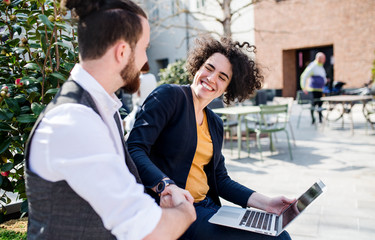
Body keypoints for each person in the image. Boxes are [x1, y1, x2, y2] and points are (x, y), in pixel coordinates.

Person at [24, 0, 195, 239]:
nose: (145, 62)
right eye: (144, 48)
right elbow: (149, 232)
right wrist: (186, 212)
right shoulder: (74, 120)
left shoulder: (103, 108)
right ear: (122, 52)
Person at [127, 36, 294, 240]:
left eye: (223, 77)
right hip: (177, 211)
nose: (212, 78)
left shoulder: (214, 123)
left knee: (275, 231)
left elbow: (220, 179)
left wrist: (267, 203)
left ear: (228, 88)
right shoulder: (169, 97)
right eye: (209, 68)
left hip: (208, 209)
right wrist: (166, 186)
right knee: (278, 238)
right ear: (198, 66)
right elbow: (134, 149)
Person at [124, 62, 157, 133]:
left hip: (141, 104)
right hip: (152, 103)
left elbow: (135, 95)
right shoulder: (152, 76)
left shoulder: (139, 78)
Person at [300, 52, 327, 124]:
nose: (324, 60)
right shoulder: (312, 66)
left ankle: (320, 119)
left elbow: (323, 77)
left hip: (320, 90)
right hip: (313, 90)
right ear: (319, 58)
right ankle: (313, 120)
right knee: (313, 105)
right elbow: (304, 76)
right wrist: (303, 87)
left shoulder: (321, 66)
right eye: (323, 59)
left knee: (320, 105)